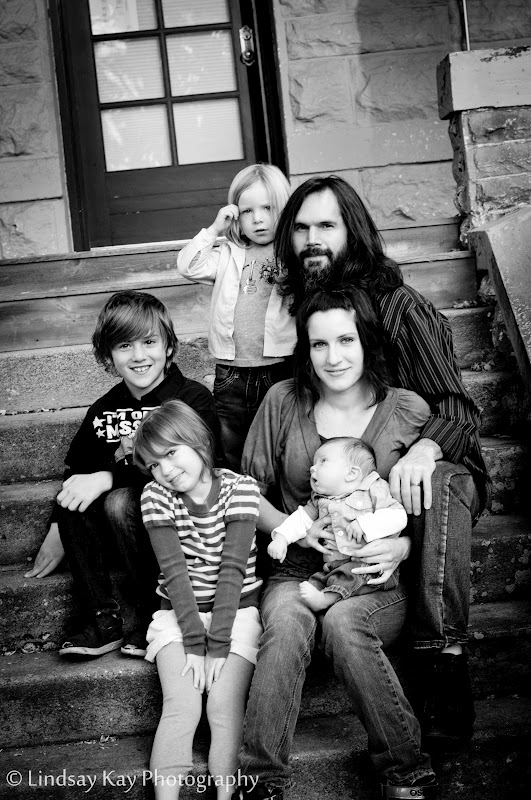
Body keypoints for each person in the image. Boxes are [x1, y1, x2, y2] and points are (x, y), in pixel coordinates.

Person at [274, 174, 490, 750]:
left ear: (354, 231)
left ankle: (443, 660)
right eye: (300, 228)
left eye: (326, 225)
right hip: (362, 492)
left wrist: (424, 448)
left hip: (431, 473)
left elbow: (458, 409)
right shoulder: (309, 309)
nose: (312, 240)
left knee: (435, 480)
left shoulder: (399, 306)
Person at [237, 287, 436, 800]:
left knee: (345, 623)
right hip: (296, 569)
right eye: (319, 344)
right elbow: (244, 492)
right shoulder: (283, 401)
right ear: (305, 349)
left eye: (346, 340)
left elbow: (433, 501)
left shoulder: (407, 409)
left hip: (375, 578)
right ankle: (260, 780)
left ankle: (405, 772)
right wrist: (294, 527)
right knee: (286, 623)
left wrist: (402, 547)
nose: (333, 357)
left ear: (366, 340)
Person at [26, 290, 221, 660]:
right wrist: (57, 528)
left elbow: (199, 466)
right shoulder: (105, 409)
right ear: (108, 356)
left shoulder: (190, 398)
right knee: (75, 496)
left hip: (179, 523)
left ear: (169, 346)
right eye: (124, 346)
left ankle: (154, 611)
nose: (138, 356)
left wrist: (109, 477)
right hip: (118, 531)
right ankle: (100, 618)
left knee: (118, 500)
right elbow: (77, 470)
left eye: (149, 342)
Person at [133, 400, 263, 800]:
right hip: (178, 615)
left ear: (199, 441)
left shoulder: (241, 489)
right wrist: (194, 642)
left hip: (236, 613)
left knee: (223, 707)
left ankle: (227, 795)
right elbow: (174, 574)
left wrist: (217, 643)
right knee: (182, 706)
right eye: (154, 464)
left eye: (172, 453)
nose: (166, 470)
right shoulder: (156, 496)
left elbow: (233, 571)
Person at [177, 163, 296, 471]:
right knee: (231, 444)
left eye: (268, 208)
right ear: (236, 216)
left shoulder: (292, 254)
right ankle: (236, 494)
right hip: (231, 372)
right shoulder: (227, 253)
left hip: (279, 368)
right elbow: (188, 266)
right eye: (247, 211)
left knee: (278, 444)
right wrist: (214, 230)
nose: (258, 218)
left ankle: (273, 498)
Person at [268, 436, 407, 612]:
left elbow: (398, 516)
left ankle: (325, 599)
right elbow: (300, 519)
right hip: (334, 567)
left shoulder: (374, 488)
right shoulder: (320, 500)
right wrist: (281, 538)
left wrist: (365, 524)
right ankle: (323, 599)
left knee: (353, 574)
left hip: (368, 564)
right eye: (314, 463)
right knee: (318, 581)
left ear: (351, 473)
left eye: (323, 461)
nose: (312, 468)